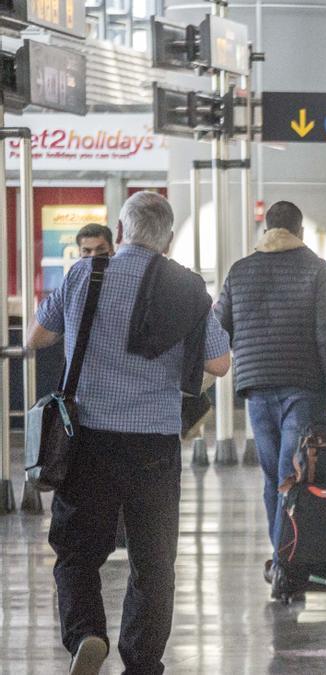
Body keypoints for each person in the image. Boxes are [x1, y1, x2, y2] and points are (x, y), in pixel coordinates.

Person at [27, 192, 231, 675]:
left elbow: (36, 337)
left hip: (89, 437)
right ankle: (141, 662)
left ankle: (87, 635)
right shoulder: (188, 289)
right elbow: (219, 364)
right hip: (155, 444)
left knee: (77, 551)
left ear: (120, 232)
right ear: (170, 239)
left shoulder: (84, 273)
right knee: (154, 561)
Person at [215, 201, 326, 596]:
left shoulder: (241, 270)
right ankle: (284, 567)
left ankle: (282, 563)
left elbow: (219, 325)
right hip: (303, 386)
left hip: (256, 385)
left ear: (267, 228)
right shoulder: (316, 269)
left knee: (274, 475)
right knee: (292, 476)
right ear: (300, 229)